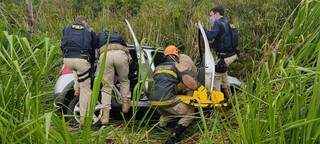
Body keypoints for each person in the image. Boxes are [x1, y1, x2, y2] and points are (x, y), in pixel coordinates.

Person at [149, 45, 201, 144]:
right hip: (167, 100)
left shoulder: (158, 67)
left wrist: (177, 87)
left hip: (153, 101)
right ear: (176, 55)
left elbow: (164, 83)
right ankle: (173, 138)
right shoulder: (177, 65)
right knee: (190, 112)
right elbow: (192, 85)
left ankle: (161, 128)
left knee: (166, 111)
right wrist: (198, 85)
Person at [61, 16, 98, 124]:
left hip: (67, 59)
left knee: (76, 69)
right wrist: (91, 62)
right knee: (86, 90)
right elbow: (93, 47)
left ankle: (76, 88)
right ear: (84, 22)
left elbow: (62, 44)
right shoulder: (89, 30)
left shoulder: (67, 28)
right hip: (81, 60)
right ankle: (83, 120)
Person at [205, 5, 238, 101]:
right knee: (224, 78)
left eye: (211, 15)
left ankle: (218, 104)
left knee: (215, 78)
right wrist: (210, 46)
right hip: (232, 55)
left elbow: (210, 36)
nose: (210, 18)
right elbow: (223, 40)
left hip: (224, 58)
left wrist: (202, 28)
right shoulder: (228, 22)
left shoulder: (218, 23)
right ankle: (231, 100)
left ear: (217, 14)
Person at [99, 31, 131, 125]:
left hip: (105, 55)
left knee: (106, 86)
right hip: (120, 54)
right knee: (124, 81)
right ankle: (125, 104)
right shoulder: (119, 37)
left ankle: (105, 115)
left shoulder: (101, 36)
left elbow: (95, 49)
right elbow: (127, 49)